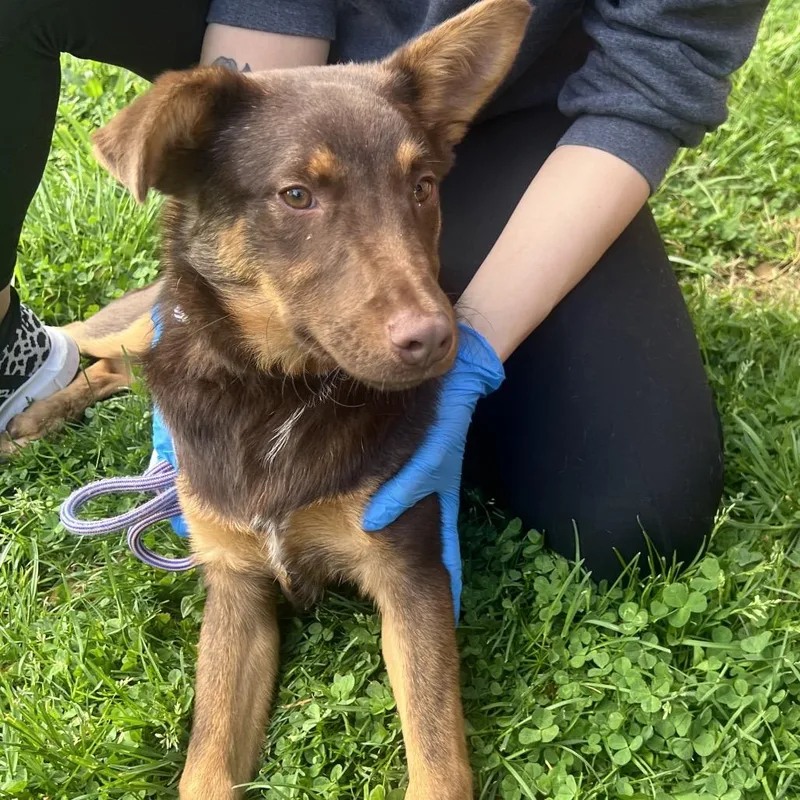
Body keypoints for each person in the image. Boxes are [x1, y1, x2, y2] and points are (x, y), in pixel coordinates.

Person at [1, 1, 769, 607]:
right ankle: (39, 346)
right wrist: (228, 245)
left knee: (630, 521)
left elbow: (650, 84)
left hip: (519, 117)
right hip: (285, 72)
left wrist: (477, 345)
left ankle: (158, 315)